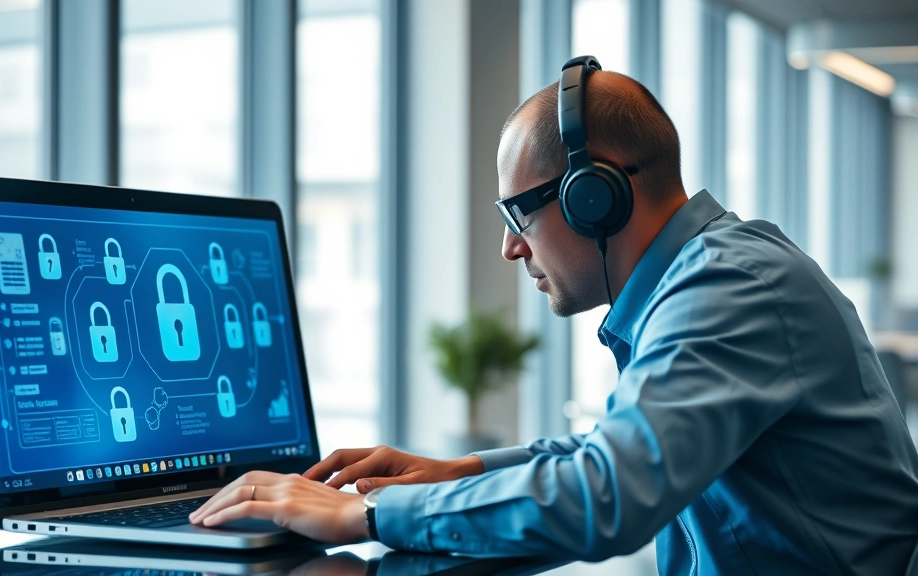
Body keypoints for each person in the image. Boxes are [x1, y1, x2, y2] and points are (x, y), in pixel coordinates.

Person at [190, 59, 918, 574]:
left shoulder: (729, 288)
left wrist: (368, 517)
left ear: (592, 196)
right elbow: (615, 449)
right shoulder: (715, 272)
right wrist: (460, 470)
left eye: (519, 214)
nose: (510, 248)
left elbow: (608, 495)